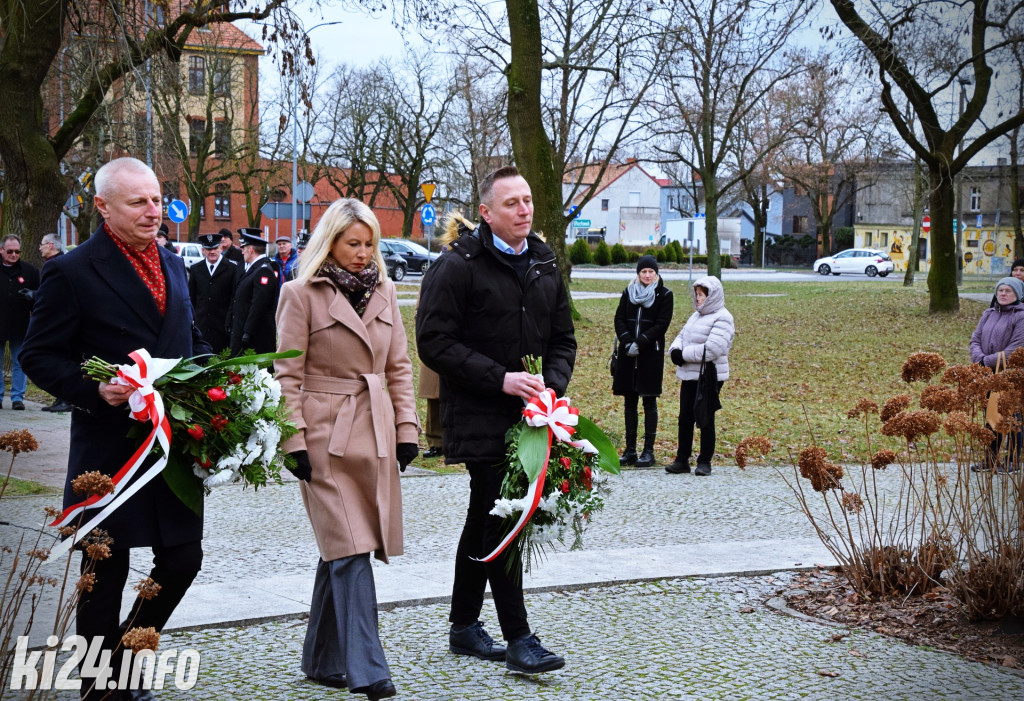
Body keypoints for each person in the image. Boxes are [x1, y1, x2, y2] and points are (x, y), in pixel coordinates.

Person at [20, 157, 212, 700]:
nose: (154, 211)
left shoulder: (174, 264)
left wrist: (218, 378)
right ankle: (98, 687)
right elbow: (39, 354)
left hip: (171, 446)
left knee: (183, 558)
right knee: (105, 569)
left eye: (156, 199)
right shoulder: (72, 270)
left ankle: (125, 660)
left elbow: (189, 336)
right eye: (139, 202)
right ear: (103, 207)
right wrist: (93, 390)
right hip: (107, 448)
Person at [416, 166, 576, 675]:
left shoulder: (545, 261)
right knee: (504, 515)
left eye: (528, 200)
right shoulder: (458, 265)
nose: (524, 209)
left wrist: (550, 387)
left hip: (532, 417)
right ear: (486, 213)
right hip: (481, 413)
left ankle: (464, 624)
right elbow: (434, 342)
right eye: (512, 203)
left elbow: (564, 339)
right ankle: (519, 638)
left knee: (483, 517)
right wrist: (500, 379)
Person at [276, 198, 419, 700]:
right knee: (352, 547)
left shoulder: (385, 292)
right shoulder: (300, 294)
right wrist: (292, 441)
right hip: (323, 436)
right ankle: (368, 669)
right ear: (330, 242)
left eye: (369, 244)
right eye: (353, 243)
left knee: (343, 546)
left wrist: (407, 429)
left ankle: (320, 659)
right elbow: (286, 375)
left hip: (376, 431)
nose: (363, 254)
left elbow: (399, 368)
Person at [666, 275, 735, 476]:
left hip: (709, 376)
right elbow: (681, 336)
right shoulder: (696, 316)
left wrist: (683, 355)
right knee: (685, 417)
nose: (698, 298)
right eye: (696, 294)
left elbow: (712, 349)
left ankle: (705, 461)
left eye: (701, 295)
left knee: (705, 417)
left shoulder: (723, 317)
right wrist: (674, 351)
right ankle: (682, 459)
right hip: (689, 375)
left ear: (712, 296)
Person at [613, 255, 674, 467]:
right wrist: (628, 341)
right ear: (638, 274)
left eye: (651, 272)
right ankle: (630, 450)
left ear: (656, 274)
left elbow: (662, 324)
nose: (647, 275)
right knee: (629, 402)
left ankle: (648, 451)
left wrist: (641, 341)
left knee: (649, 401)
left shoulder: (665, 294)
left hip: (650, 355)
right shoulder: (628, 292)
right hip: (628, 355)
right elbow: (619, 318)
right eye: (643, 272)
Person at [970, 276, 1024, 473]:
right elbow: (975, 339)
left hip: (1011, 374)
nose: (1003, 294)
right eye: (1000, 290)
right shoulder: (989, 313)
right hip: (987, 373)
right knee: (990, 414)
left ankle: (1013, 461)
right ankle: (990, 458)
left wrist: (987, 360)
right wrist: (979, 358)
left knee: (1012, 417)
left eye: (1008, 291)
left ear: (1017, 295)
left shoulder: (1021, 316)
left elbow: (1016, 349)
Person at [35, 234, 74, 413]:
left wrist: (34, 296)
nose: (40, 248)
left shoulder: (55, 264)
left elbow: (52, 295)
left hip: (60, 320)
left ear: (50, 245)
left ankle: (66, 399)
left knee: (61, 358)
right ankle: (60, 399)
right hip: (63, 319)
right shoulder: (62, 262)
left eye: (42, 245)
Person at [1, 234, 39, 410]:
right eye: (10, 251)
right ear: (1, 250)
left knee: (19, 362)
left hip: (20, 324)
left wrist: (32, 296)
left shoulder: (29, 271)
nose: (14, 255)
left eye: (17, 251)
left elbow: (40, 296)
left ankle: (17, 397)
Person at [228, 228, 279, 355]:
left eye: (244, 249)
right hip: (244, 332)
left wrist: (247, 332)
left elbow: (258, 305)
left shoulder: (263, 270)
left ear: (251, 250)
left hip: (255, 337)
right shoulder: (253, 268)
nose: (242, 252)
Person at [187, 232, 238, 354]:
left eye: (215, 248)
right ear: (203, 250)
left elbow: (234, 297)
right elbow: (191, 298)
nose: (212, 252)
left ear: (221, 248)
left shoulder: (232, 269)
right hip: (202, 327)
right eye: (208, 249)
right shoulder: (196, 269)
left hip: (223, 327)